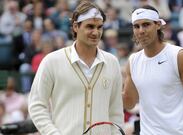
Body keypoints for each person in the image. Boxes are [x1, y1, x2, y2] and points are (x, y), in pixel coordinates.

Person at [28, 1, 124, 135]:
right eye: (90, 26)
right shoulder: (52, 61)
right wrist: (53, 133)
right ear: (75, 27)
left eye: (99, 27)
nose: (96, 32)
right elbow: (37, 105)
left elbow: (116, 111)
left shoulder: (112, 62)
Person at [122, 5, 183, 135]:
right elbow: (129, 103)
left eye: (146, 25)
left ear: (158, 25)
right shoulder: (133, 61)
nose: (141, 31)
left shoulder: (179, 55)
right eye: (136, 26)